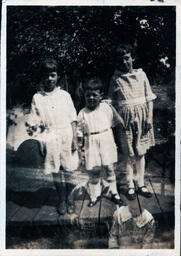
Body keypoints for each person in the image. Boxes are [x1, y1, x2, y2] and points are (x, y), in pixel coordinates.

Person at [28, 58, 79, 215]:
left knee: (69, 169)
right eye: (46, 76)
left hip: (66, 135)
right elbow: (34, 123)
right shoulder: (37, 98)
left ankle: (70, 197)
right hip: (49, 136)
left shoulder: (64, 95)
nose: (49, 79)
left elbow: (73, 118)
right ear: (41, 77)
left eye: (52, 75)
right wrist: (40, 143)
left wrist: (75, 140)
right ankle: (61, 199)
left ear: (57, 76)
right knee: (56, 170)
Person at [108, 43, 156, 200]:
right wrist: (118, 117)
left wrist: (149, 117)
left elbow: (149, 98)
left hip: (142, 118)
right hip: (125, 120)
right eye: (120, 59)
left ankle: (140, 183)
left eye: (126, 58)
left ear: (132, 58)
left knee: (141, 152)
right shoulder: (115, 78)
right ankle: (130, 185)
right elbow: (110, 102)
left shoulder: (142, 75)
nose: (124, 62)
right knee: (129, 153)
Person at [77, 77, 123, 207]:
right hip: (91, 143)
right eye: (88, 95)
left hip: (106, 140)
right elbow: (79, 132)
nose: (91, 98)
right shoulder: (82, 113)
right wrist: (80, 148)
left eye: (94, 95)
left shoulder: (105, 108)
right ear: (84, 96)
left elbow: (114, 122)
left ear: (100, 95)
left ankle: (114, 193)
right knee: (94, 171)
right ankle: (94, 195)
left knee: (109, 168)